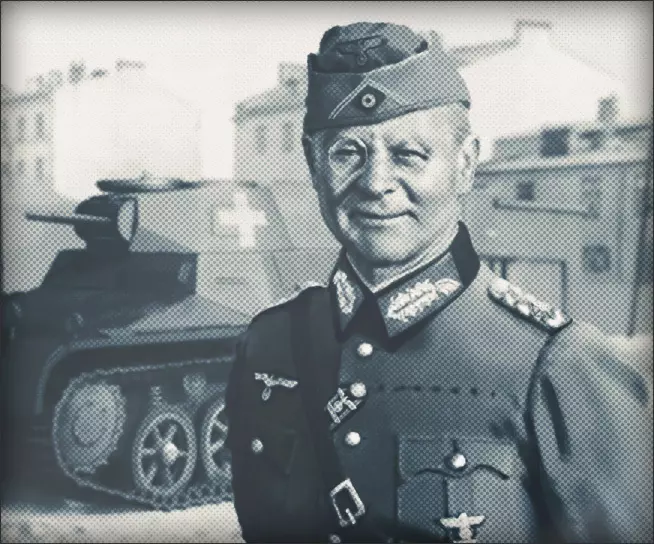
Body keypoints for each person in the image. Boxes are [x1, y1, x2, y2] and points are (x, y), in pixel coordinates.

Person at [225, 21, 653, 544]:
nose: (376, 183)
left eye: (409, 154)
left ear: (465, 165)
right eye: (347, 153)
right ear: (314, 166)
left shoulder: (558, 365)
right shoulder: (268, 346)